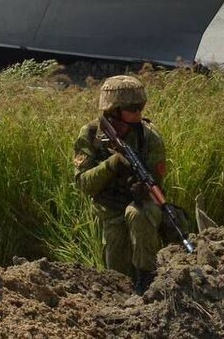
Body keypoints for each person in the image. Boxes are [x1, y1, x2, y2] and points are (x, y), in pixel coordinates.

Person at [73, 74, 165, 294]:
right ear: (113, 109)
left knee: (139, 214)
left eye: (140, 107)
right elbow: (84, 183)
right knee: (117, 275)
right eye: (132, 108)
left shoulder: (149, 136)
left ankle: (147, 278)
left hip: (140, 204)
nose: (138, 113)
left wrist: (142, 188)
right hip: (109, 208)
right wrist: (112, 164)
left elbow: (157, 181)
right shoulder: (91, 134)